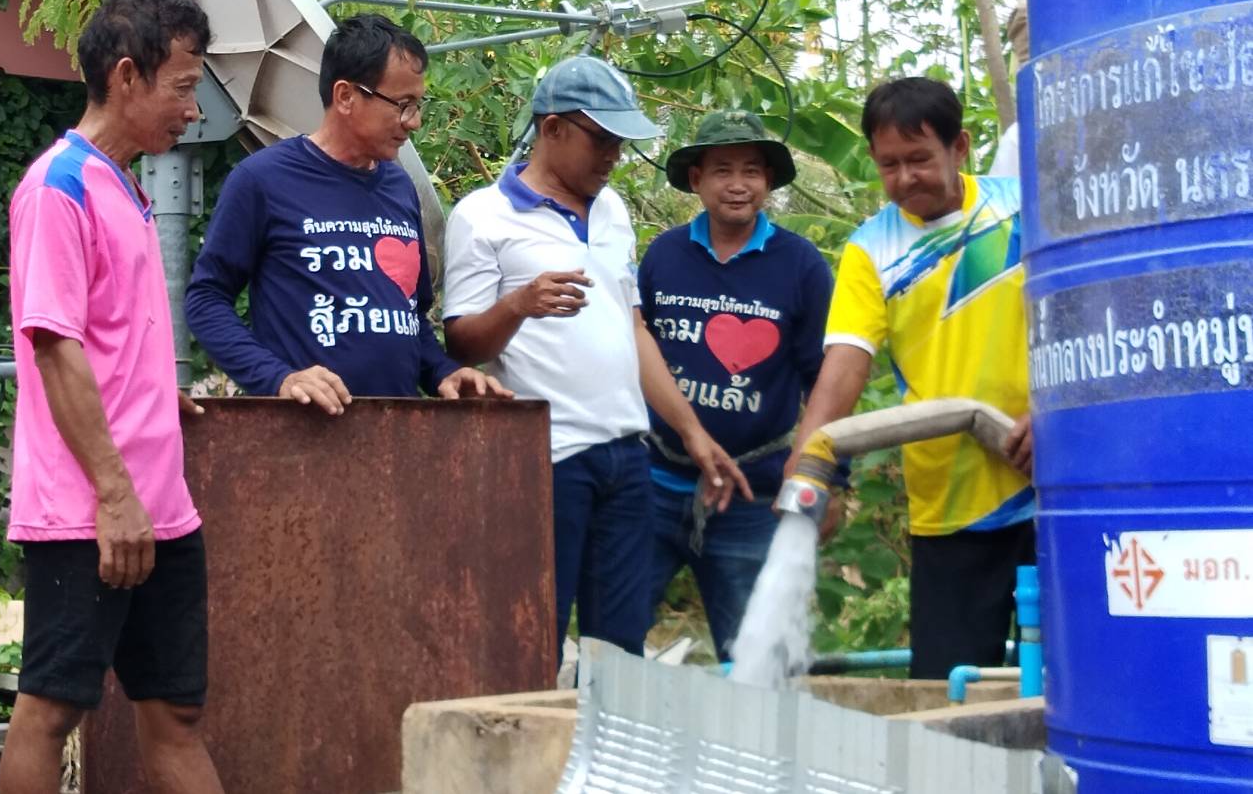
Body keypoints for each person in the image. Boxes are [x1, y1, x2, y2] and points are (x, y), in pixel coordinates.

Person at [441, 56, 750, 662]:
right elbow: (462, 345)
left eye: (620, 143)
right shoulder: (482, 216)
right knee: (535, 634)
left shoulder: (612, 211)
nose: (613, 156)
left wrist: (692, 432)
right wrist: (519, 304)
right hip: (545, 454)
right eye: (601, 139)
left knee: (619, 648)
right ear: (552, 128)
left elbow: (632, 329)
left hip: (626, 454)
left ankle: (606, 729)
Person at [0, 0, 223, 794]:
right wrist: (114, 494)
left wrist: (157, 396)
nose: (193, 111)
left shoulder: (120, 185)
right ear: (127, 77)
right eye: (184, 87)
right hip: (88, 510)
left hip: (160, 505)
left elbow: (109, 340)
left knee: (176, 715)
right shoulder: (56, 187)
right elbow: (54, 348)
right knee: (51, 707)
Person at [784, 76, 1034, 679]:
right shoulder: (872, 249)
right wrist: (807, 459)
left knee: (1074, 679)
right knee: (946, 689)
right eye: (888, 165)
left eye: (919, 159)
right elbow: (845, 363)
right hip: (950, 501)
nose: (904, 179)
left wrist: (1063, 414)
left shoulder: (1025, 209)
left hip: (1051, 479)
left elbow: (1086, 311)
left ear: (960, 146)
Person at [185, 14, 504, 410]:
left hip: (398, 431)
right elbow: (206, 299)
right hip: (303, 431)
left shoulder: (399, 187)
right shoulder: (263, 180)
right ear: (346, 96)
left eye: (418, 105)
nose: (415, 122)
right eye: (403, 105)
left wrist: (443, 372)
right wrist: (278, 378)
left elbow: (409, 316)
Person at [639, 110, 834, 662]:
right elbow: (636, 350)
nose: (738, 184)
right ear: (696, 178)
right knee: (614, 637)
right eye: (722, 170)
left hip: (754, 497)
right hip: (656, 486)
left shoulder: (801, 265)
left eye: (751, 170)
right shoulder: (664, 256)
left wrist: (828, 476)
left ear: (768, 181)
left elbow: (825, 378)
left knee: (755, 658)